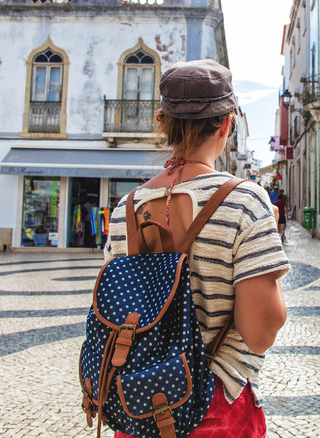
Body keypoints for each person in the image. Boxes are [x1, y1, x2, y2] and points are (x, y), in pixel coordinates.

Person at [104, 59, 290, 437]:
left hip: (138, 409)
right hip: (214, 409)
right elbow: (260, 332)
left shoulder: (125, 209)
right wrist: (266, 239)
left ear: (162, 122)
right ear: (226, 124)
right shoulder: (246, 202)